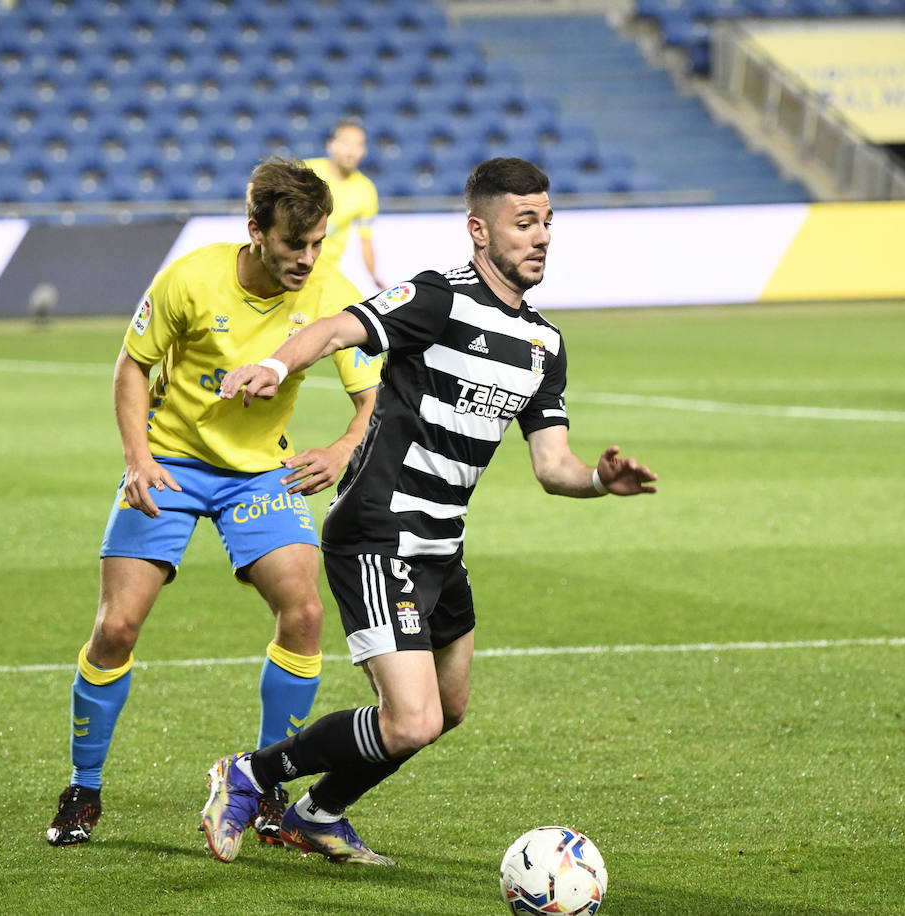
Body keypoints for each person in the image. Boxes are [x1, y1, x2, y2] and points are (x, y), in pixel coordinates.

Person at [198, 158, 658, 866]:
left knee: (447, 710)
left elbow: (552, 466)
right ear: (480, 229)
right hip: (379, 532)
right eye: (524, 222)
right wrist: (278, 366)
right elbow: (335, 329)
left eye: (547, 223)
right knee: (410, 721)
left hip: (442, 544)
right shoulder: (439, 298)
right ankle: (251, 775)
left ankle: (318, 814)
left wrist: (599, 479)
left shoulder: (544, 347)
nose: (540, 238)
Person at [44, 158, 381, 847]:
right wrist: (137, 459)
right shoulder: (191, 278)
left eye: (318, 242)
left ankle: (261, 788)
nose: (308, 258)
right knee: (116, 628)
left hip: (258, 474)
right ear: (255, 230)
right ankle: (83, 788)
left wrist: (344, 448)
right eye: (295, 243)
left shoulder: (329, 291)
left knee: (306, 613)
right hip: (168, 464)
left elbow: (374, 399)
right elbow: (132, 365)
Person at [306, 119, 385, 291]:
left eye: (358, 145)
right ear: (331, 145)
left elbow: (365, 239)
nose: (352, 151)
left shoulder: (366, 190)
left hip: (327, 274)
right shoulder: (306, 171)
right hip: (292, 264)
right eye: (345, 143)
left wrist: (373, 276)